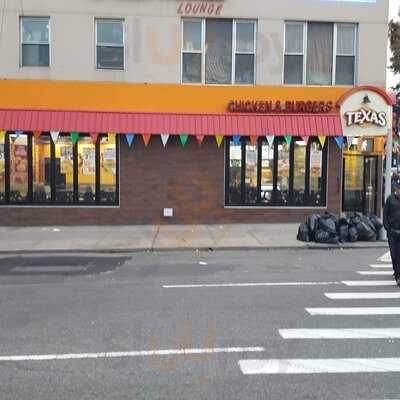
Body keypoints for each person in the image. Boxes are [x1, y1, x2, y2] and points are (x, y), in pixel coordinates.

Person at [383, 176, 400, 286]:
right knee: (394, 255)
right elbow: (385, 215)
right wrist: (388, 229)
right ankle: (396, 272)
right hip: (392, 232)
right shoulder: (390, 199)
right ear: (396, 189)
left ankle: (398, 277)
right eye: (398, 188)